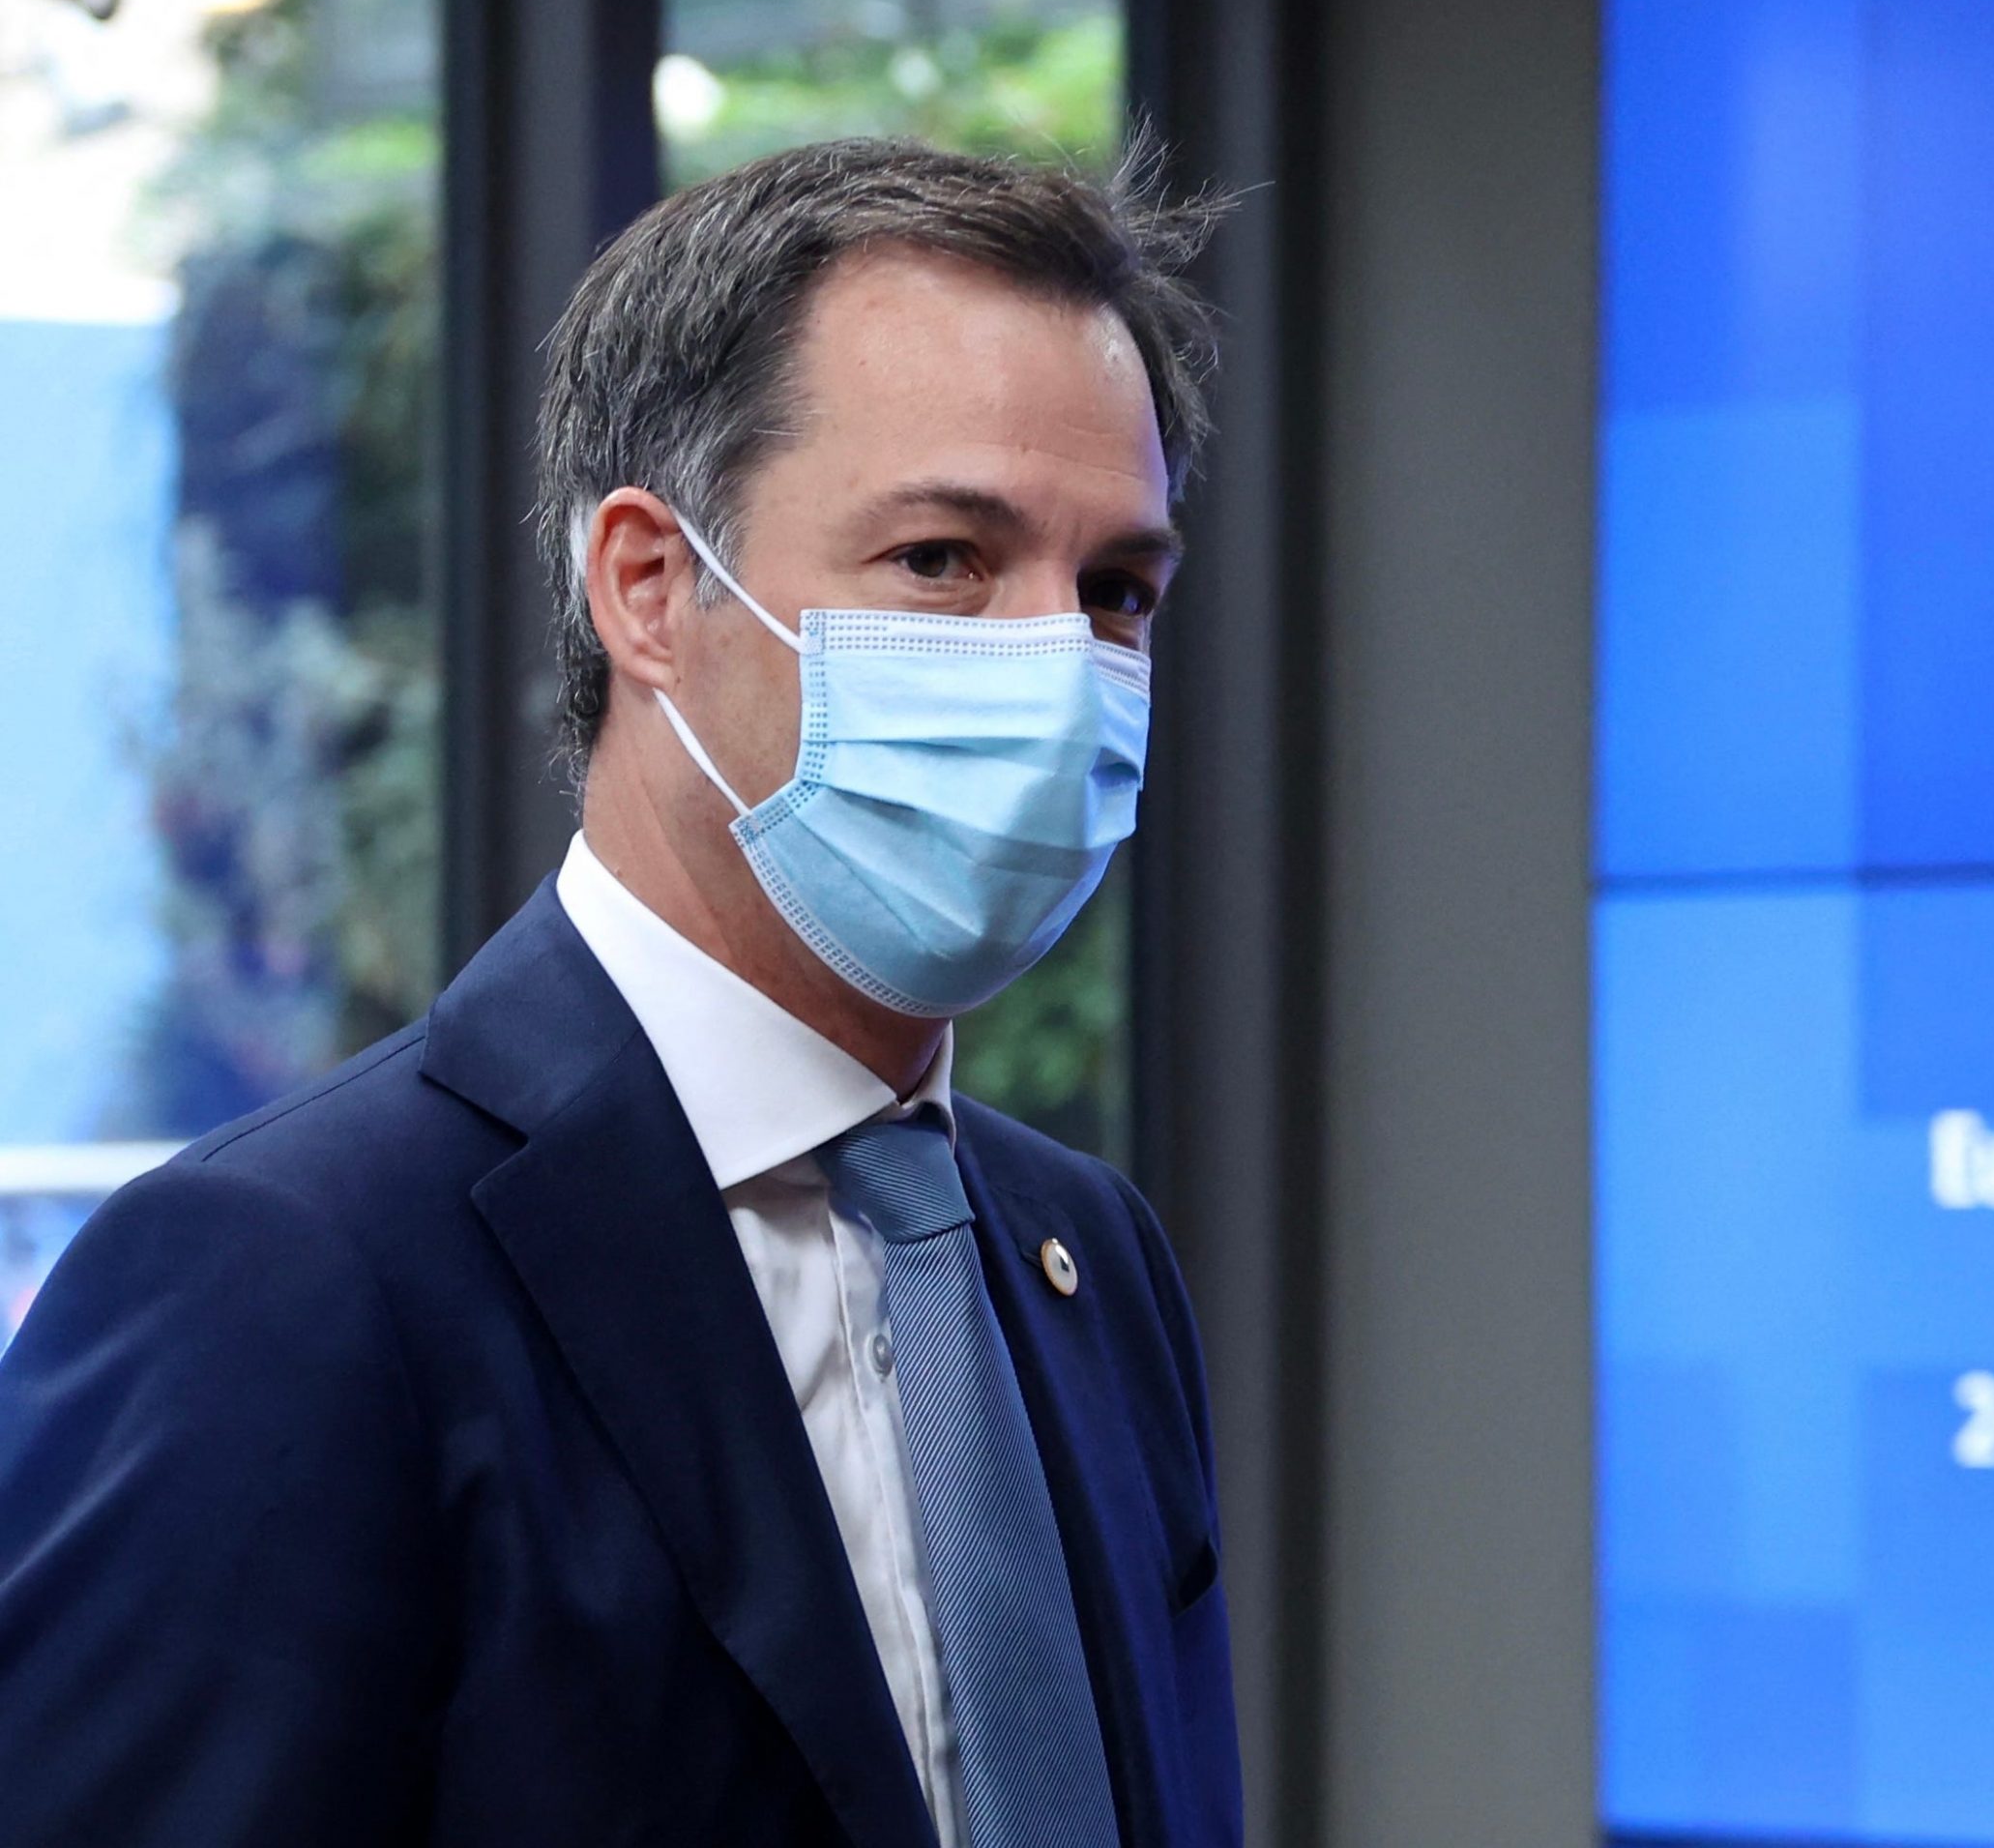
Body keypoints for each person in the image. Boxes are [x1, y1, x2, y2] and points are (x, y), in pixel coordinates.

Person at [0, 138, 1240, 1848]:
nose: (1055, 665)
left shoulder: (1084, 1257)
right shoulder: (287, 1280)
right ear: (650, 589)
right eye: (946, 560)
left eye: (1116, 591)